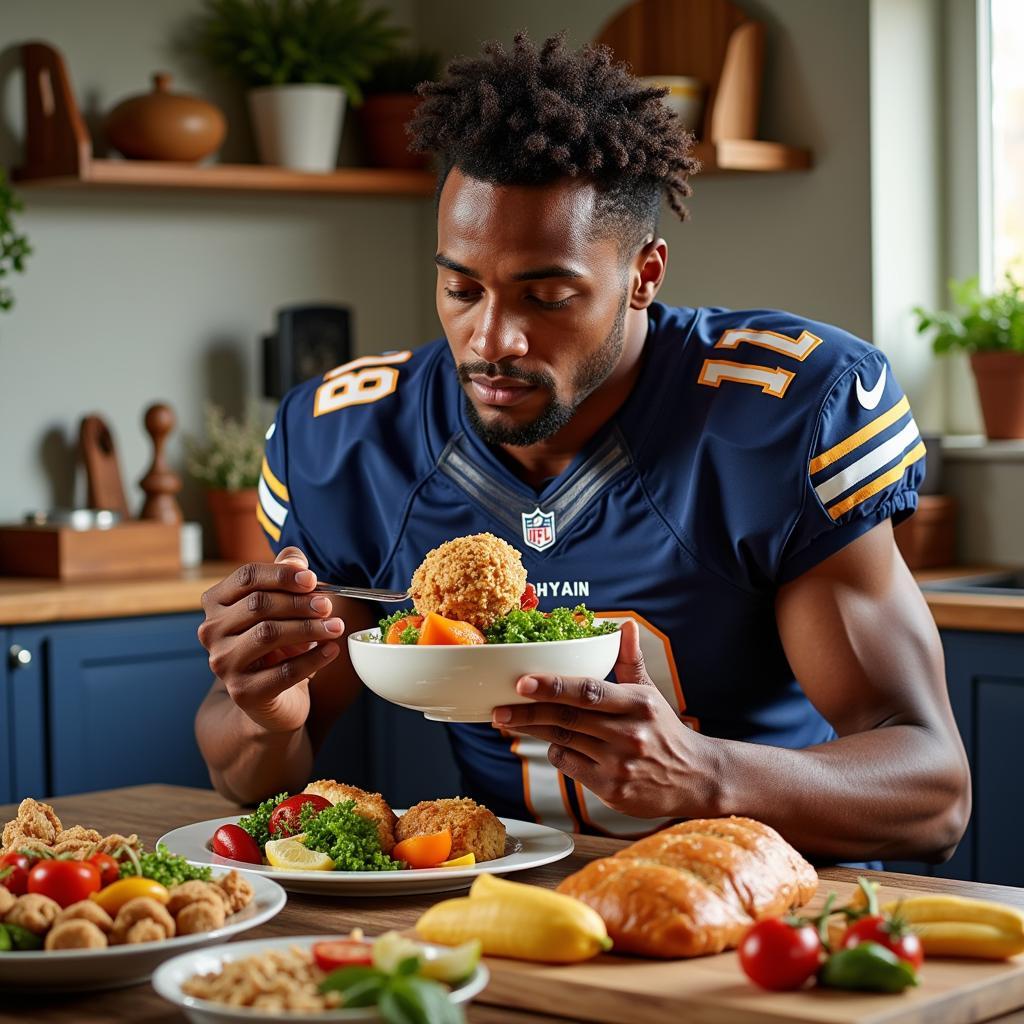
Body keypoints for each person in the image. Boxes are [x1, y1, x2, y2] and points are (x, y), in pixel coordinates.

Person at [195, 33, 969, 864]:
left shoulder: (781, 413)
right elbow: (251, 780)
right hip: (507, 915)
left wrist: (708, 774)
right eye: (461, 289)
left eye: (550, 295)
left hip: (769, 909)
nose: (491, 338)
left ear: (644, 274)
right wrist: (260, 710)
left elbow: (933, 792)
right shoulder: (352, 436)